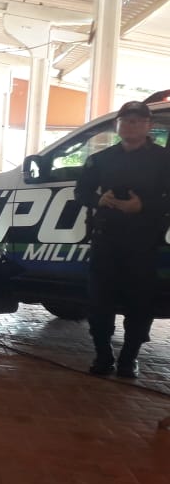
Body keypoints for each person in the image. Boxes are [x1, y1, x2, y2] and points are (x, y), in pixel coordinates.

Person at [74, 100, 170, 378]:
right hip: (106, 240)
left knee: (140, 304)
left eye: (138, 121)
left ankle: (129, 358)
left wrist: (143, 206)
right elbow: (81, 192)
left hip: (143, 242)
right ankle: (103, 355)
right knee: (99, 302)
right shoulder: (101, 159)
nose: (131, 125)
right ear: (117, 126)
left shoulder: (164, 159)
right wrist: (98, 199)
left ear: (149, 126)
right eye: (126, 121)